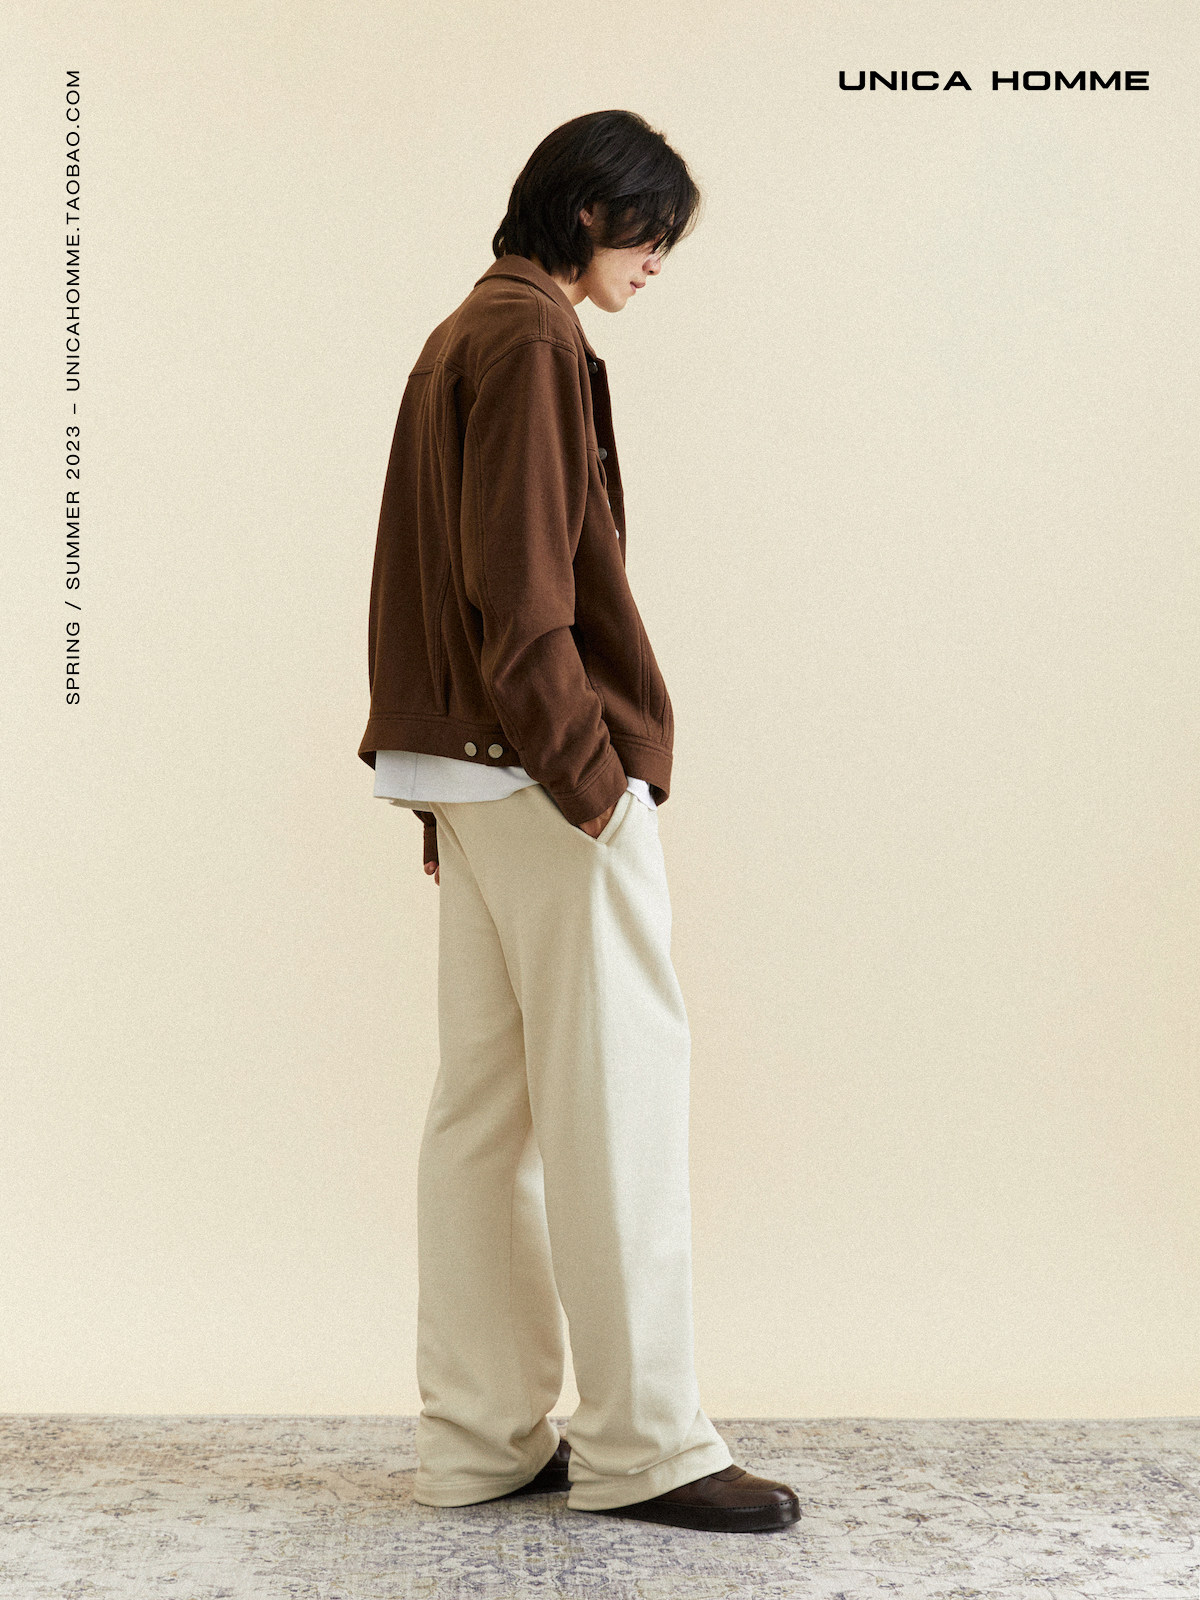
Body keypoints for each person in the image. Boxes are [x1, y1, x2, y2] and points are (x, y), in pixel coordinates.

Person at [357, 109, 800, 1533]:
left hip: (467, 775)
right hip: (540, 774)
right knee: (619, 1103)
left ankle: (481, 1438)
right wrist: (593, 782)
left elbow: (443, 581)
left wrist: (468, 791)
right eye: (652, 231)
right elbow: (522, 590)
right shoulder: (535, 337)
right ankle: (645, 1448)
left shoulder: (461, 331)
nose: (660, 261)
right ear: (591, 211)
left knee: (484, 1115)